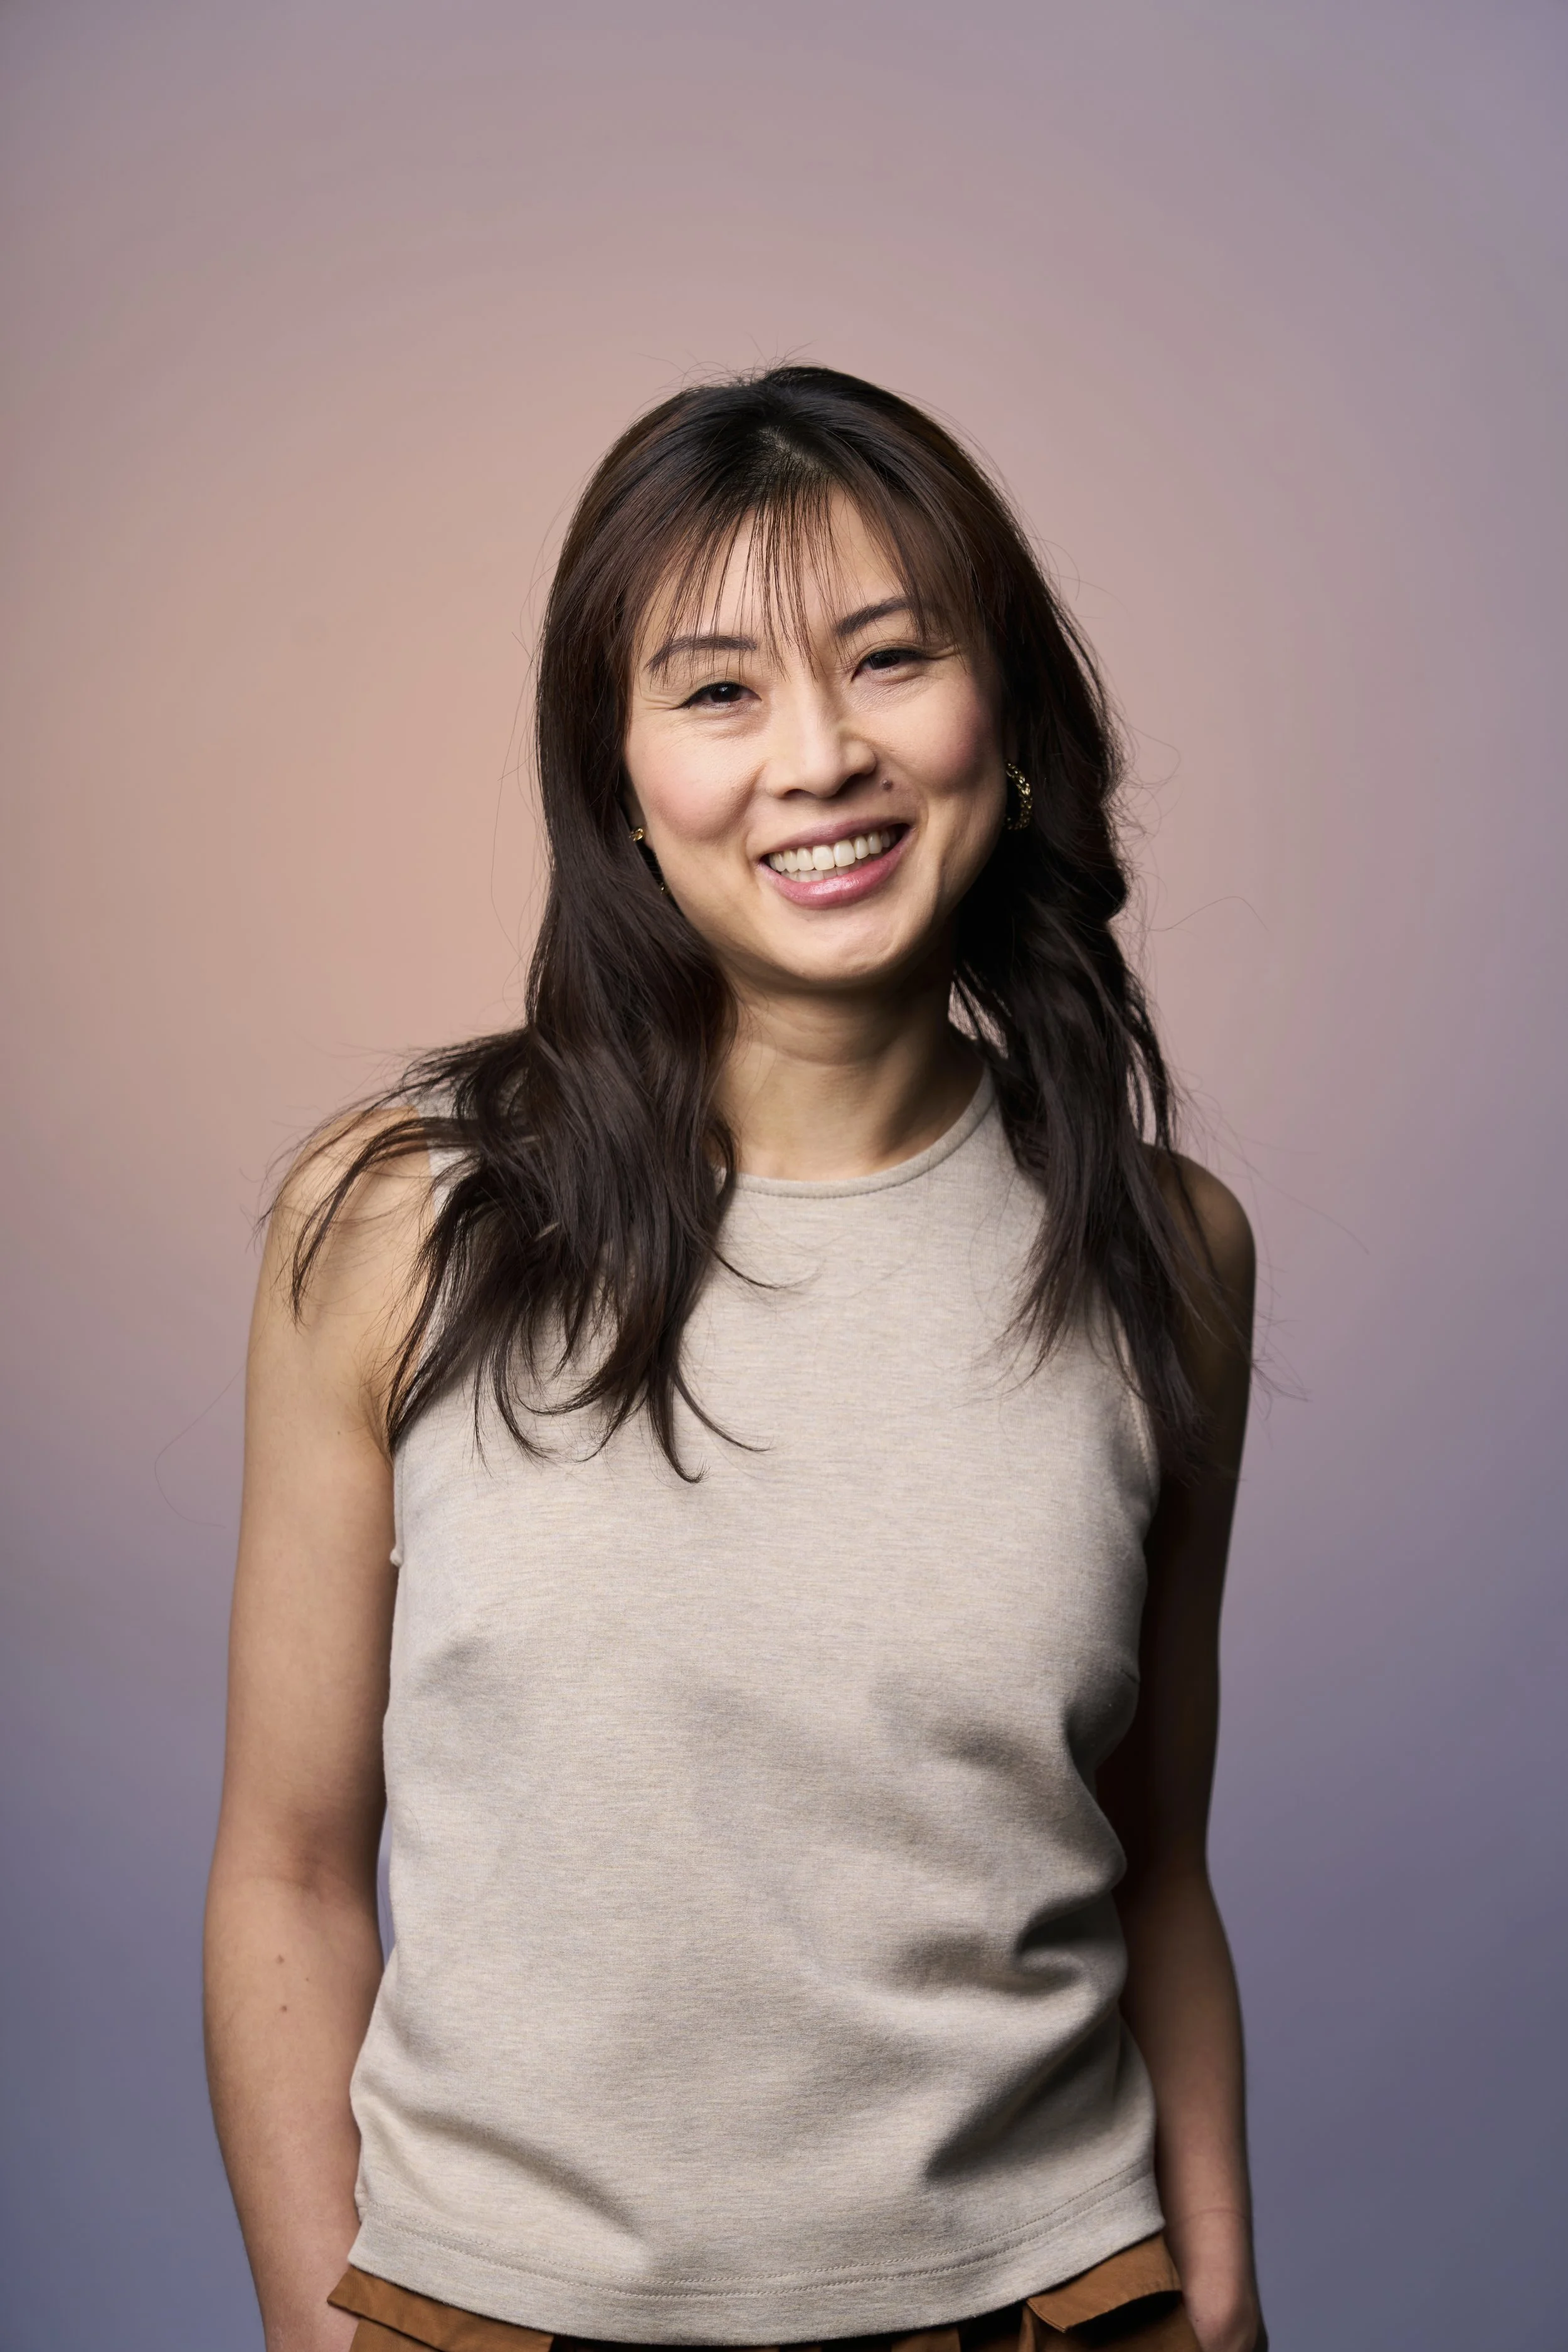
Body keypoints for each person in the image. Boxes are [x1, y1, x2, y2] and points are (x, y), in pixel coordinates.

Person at [204, 365, 1264, 2352]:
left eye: (887, 660)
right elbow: (287, 1864)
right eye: (716, 690)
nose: (821, 756)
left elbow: (1152, 1865)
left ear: (1005, 722)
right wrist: (317, 2327)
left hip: (1042, 2305)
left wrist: (1217, 2298)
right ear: (612, 777)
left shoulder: (1168, 1250)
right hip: (495, 2313)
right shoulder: (396, 1220)